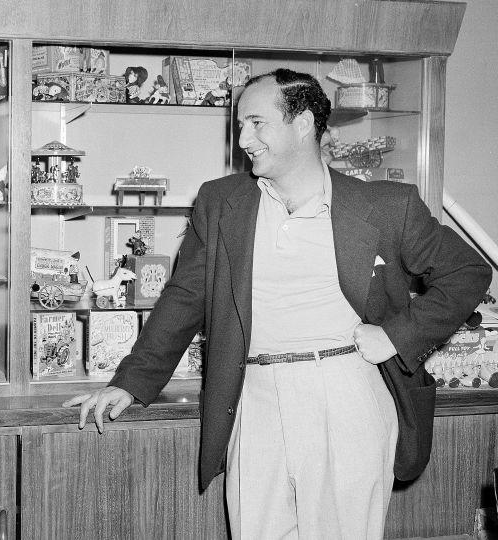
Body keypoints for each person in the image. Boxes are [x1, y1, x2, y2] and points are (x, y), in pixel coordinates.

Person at [64, 69, 491, 539]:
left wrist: (396, 335)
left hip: (344, 394)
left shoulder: (387, 205)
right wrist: (131, 382)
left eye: (256, 123)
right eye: (240, 125)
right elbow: (185, 296)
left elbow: (467, 272)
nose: (243, 138)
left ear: (304, 123)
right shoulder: (221, 201)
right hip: (254, 396)